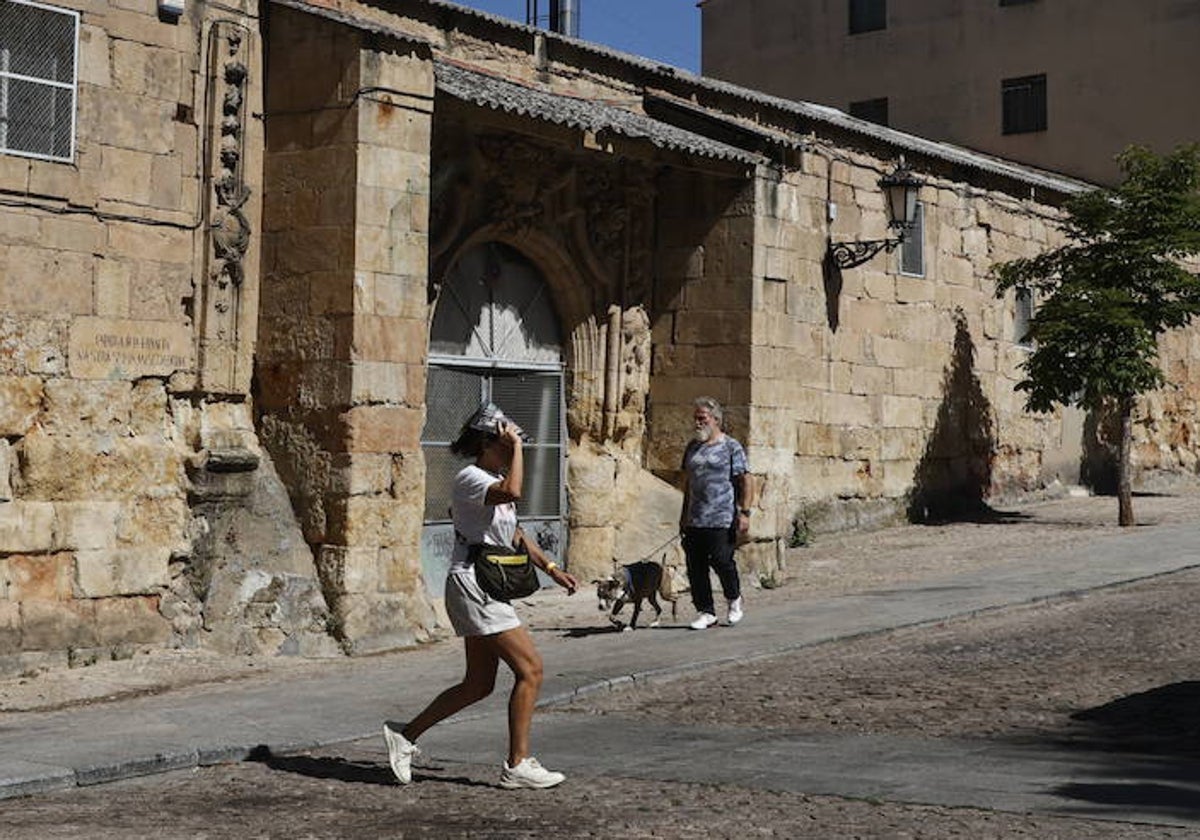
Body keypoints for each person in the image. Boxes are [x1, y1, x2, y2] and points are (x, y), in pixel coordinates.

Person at [383, 403, 579, 789]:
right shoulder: (471, 477)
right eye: (507, 444)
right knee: (531, 670)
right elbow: (515, 490)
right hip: (474, 584)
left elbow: (516, 534)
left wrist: (553, 570)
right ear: (488, 443)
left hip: (485, 585)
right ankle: (517, 763)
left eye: (514, 446)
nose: (512, 451)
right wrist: (517, 450)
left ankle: (405, 735)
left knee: (478, 684)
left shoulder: (492, 477)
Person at [679, 396, 754, 630]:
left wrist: (745, 512)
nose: (698, 423)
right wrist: (683, 516)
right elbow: (688, 483)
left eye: (702, 418)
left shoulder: (731, 446)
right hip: (696, 518)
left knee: (722, 561)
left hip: (721, 517)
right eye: (696, 419)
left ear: (716, 420)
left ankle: (734, 599)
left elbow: (746, 480)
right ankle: (706, 611)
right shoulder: (692, 447)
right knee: (696, 565)